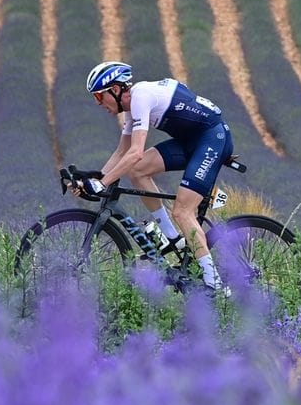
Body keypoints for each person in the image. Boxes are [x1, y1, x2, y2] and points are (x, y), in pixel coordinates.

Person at [79, 61, 234, 294]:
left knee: (182, 211)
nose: (97, 103)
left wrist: (102, 183)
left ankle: (216, 287)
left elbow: (135, 152)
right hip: (191, 141)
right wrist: (93, 179)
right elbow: (122, 152)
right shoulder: (132, 107)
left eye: (99, 97)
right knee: (137, 171)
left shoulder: (140, 97)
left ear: (116, 89)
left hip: (212, 138)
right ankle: (173, 239)